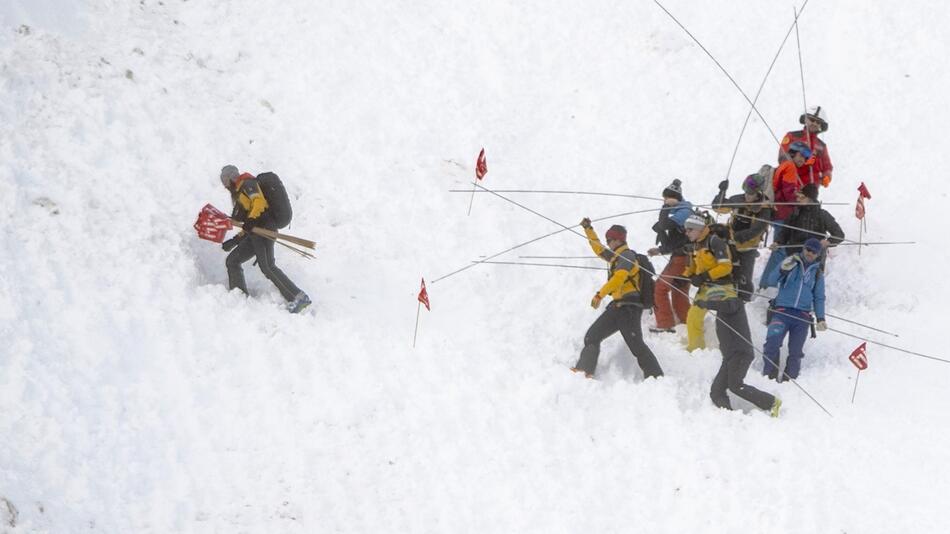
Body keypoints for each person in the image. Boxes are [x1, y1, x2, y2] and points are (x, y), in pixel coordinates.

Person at [684, 214, 781, 416]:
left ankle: (771, 403)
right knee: (716, 392)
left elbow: (727, 297)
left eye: (689, 229)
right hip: (729, 354)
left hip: (738, 349)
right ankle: (726, 416)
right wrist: (691, 274)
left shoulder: (731, 300)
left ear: (699, 229)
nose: (687, 233)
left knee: (736, 385)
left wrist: (706, 294)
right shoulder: (695, 246)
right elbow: (695, 269)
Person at [571, 219, 664, 379]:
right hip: (617, 308)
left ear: (619, 240)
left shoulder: (627, 256)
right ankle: (584, 371)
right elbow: (598, 248)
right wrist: (588, 229)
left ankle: (656, 377)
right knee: (592, 336)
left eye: (610, 240)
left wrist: (600, 294)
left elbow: (619, 278)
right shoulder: (616, 257)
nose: (607, 243)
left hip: (629, 309)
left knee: (636, 345)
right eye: (607, 240)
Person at [219, 165, 312, 313]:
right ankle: (239, 296)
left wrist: (250, 221)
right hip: (255, 233)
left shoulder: (247, 183)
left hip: (264, 230)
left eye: (224, 180)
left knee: (268, 267)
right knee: (232, 261)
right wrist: (235, 240)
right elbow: (246, 222)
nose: (224, 184)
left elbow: (259, 203)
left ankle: (298, 297)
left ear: (230, 177)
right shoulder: (238, 193)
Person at [761, 238, 827, 381]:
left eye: (814, 252)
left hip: (802, 317)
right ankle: (768, 377)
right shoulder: (791, 262)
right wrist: (781, 269)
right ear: (803, 248)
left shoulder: (817, 273)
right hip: (781, 312)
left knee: (796, 352)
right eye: (808, 249)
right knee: (772, 344)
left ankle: (789, 382)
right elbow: (771, 280)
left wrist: (821, 318)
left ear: (818, 254)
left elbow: (819, 297)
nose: (810, 253)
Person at [711, 173, 773, 302]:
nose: (747, 196)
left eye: (751, 194)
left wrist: (737, 237)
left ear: (758, 192)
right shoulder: (738, 199)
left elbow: (757, 229)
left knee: (744, 278)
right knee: (727, 272)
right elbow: (718, 207)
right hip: (731, 245)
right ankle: (725, 297)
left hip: (748, 248)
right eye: (746, 192)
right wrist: (721, 192)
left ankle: (744, 300)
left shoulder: (764, 207)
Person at [647, 179, 693, 333]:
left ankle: (665, 324)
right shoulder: (682, 211)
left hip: (682, 259)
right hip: (685, 258)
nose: (664, 201)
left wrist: (666, 207)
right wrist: (660, 250)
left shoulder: (684, 211)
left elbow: (665, 224)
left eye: (665, 198)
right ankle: (687, 324)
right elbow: (677, 241)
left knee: (659, 289)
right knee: (679, 291)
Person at [778, 106, 833, 188]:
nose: (814, 123)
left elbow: (827, 166)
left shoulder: (822, 146)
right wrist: (796, 161)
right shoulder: (791, 136)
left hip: (811, 190)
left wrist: (827, 177)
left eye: (818, 122)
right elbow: (782, 157)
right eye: (812, 120)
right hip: (789, 184)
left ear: (821, 125)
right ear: (805, 119)